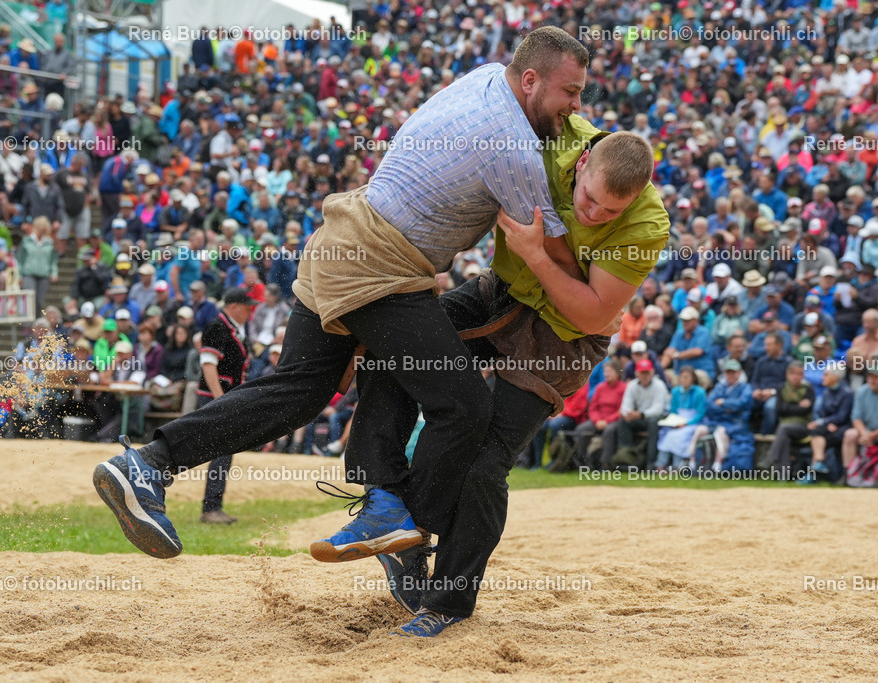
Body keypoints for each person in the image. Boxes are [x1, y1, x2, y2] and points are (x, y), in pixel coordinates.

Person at [94, 26, 593, 561]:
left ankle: (147, 464)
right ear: (532, 80)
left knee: (302, 391)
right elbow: (560, 260)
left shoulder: (489, 76)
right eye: (570, 93)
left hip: (342, 235)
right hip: (380, 263)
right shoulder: (511, 146)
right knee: (465, 404)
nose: (575, 106)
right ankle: (400, 532)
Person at [196, 288, 257, 525]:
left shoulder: (233, 328)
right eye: (247, 307)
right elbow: (208, 365)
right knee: (222, 450)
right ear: (233, 307)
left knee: (223, 451)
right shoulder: (217, 327)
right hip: (217, 397)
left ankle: (213, 506)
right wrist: (220, 398)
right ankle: (211, 507)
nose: (250, 312)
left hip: (225, 396)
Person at [692, 359, 754, 472]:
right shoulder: (719, 387)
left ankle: (718, 464)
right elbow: (709, 404)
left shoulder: (746, 387)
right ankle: (692, 463)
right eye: (728, 372)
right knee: (699, 430)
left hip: (736, 424)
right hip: (717, 421)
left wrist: (723, 403)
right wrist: (727, 409)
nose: (730, 375)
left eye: (733, 372)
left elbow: (741, 404)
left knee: (720, 432)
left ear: (739, 373)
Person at [841, 363, 878, 488]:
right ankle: (848, 473)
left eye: (876, 377)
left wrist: (872, 435)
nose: (872, 380)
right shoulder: (861, 391)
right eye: (870, 377)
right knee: (850, 434)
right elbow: (856, 418)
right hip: (867, 430)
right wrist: (864, 433)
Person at [797, 366, 854, 485]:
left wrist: (826, 422)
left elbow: (842, 416)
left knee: (817, 433)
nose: (822, 377)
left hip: (843, 428)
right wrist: (827, 423)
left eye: (826, 374)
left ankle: (815, 469)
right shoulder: (827, 392)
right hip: (829, 428)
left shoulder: (847, 393)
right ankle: (817, 465)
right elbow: (823, 414)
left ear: (835, 377)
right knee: (816, 433)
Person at [611, 358, 668, 469]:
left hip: (658, 419)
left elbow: (658, 409)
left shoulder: (659, 385)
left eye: (647, 372)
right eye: (642, 373)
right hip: (641, 417)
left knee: (653, 422)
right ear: (637, 373)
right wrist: (626, 414)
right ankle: (626, 458)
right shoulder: (632, 385)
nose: (645, 375)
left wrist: (640, 414)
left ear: (652, 372)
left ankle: (650, 463)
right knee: (623, 422)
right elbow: (625, 405)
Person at [766, 361, 817, 477]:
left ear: (803, 375)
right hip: (785, 425)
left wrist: (788, 408)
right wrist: (798, 406)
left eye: (799, 374)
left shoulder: (808, 389)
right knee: (784, 436)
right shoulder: (782, 388)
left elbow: (807, 410)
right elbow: (779, 410)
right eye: (793, 374)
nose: (795, 377)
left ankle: (771, 457)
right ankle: (784, 475)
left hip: (803, 426)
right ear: (787, 375)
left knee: (783, 430)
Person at [654, 366, 706, 470]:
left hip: (692, 422)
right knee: (666, 434)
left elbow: (701, 413)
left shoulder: (700, 392)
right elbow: (673, 410)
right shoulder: (675, 391)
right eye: (682, 377)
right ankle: (660, 465)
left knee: (680, 436)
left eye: (687, 377)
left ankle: (677, 466)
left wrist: (686, 423)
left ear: (692, 379)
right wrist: (674, 422)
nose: (684, 380)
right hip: (677, 421)